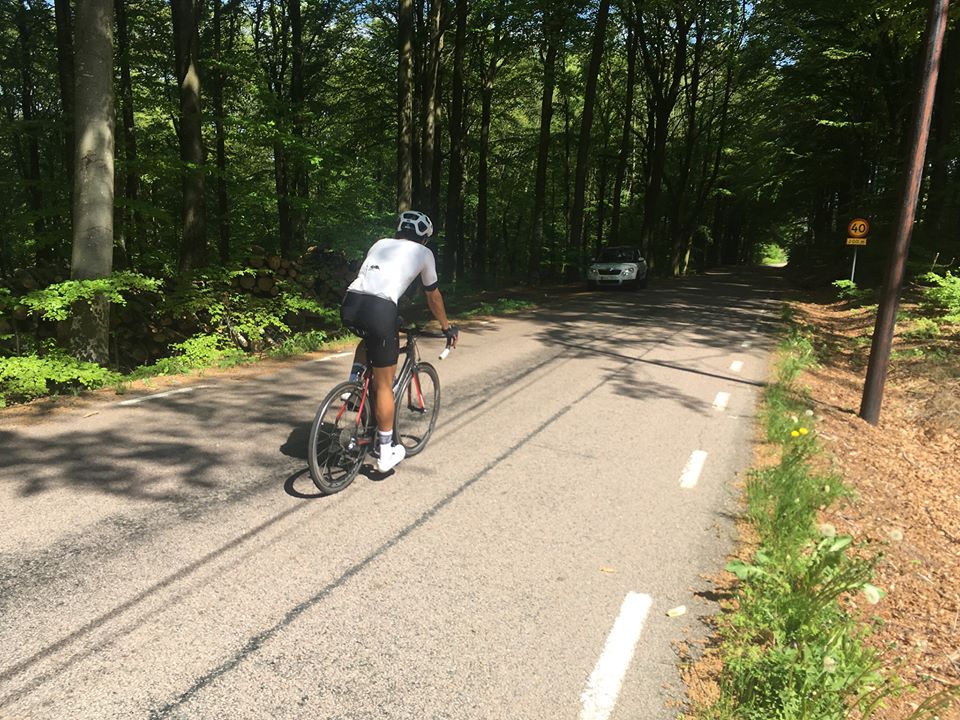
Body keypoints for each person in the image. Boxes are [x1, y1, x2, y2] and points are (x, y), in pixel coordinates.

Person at [340, 210, 459, 473]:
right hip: (380, 309)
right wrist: (446, 327)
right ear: (424, 238)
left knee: (368, 336)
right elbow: (433, 296)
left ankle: (353, 385)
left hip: (351, 303)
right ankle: (384, 451)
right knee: (384, 387)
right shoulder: (424, 253)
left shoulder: (381, 243)